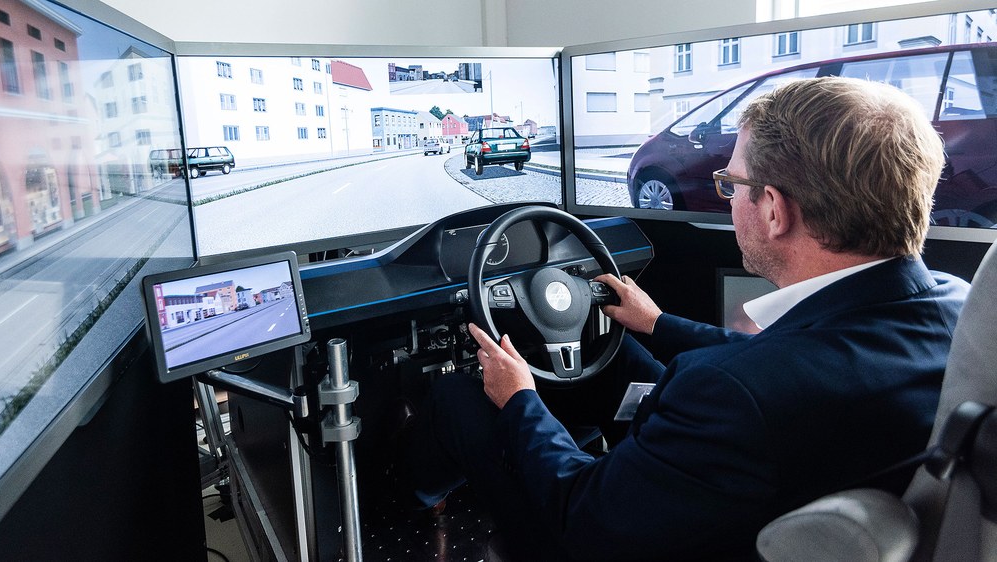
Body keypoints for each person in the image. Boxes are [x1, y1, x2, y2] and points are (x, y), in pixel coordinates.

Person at [401, 77, 970, 560]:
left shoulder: (730, 397)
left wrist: (521, 397)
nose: (729, 198)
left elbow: (581, 513)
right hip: (788, 492)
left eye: (731, 185)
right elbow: (796, 360)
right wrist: (658, 323)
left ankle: (406, 505)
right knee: (622, 355)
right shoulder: (956, 310)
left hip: (603, 535)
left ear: (774, 210)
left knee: (459, 398)